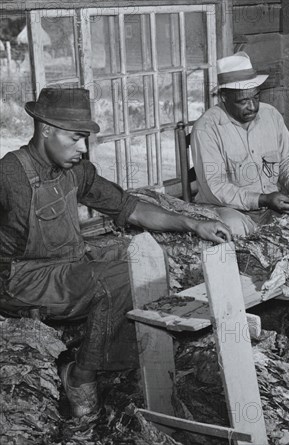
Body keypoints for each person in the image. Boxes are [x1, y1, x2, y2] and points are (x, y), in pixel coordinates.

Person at [0, 87, 232, 417]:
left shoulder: (75, 169)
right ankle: (80, 376)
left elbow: (128, 208)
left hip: (70, 264)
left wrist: (192, 224)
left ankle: (123, 362)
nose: (82, 148)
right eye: (74, 138)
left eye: (85, 139)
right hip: (24, 281)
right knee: (122, 278)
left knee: (141, 260)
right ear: (45, 128)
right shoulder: (9, 174)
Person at [190, 51, 289, 236]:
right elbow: (216, 188)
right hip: (230, 211)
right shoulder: (207, 128)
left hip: (273, 209)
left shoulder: (271, 116)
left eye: (256, 97)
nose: (252, 106)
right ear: (223, 96)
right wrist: (262, 199)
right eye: (243, 101)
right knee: (231, 226)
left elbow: (287, 161)